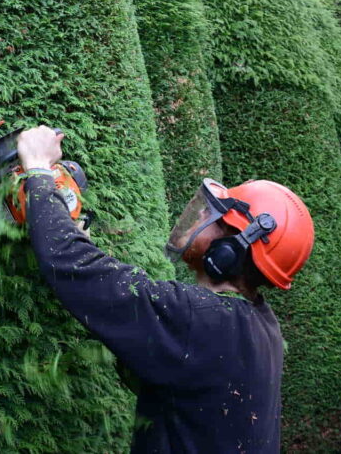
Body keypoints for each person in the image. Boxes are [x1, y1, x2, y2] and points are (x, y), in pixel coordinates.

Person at [16, 125, 314, 454]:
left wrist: (39, 168)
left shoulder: (201, 319)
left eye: (211, 215)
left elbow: (71, 264)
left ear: (230, 250)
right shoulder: (259, 327)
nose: (200, 214)